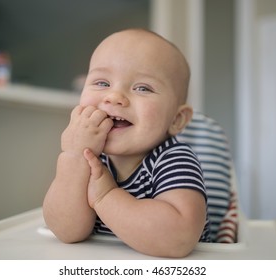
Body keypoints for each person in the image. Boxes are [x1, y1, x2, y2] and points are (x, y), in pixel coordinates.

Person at [43, 28, 211, 258]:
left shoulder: (173, 159)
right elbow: (66, 231)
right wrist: (72, 157)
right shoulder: (89, 158)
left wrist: (106, 197)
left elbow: (178, 238)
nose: (114, 97)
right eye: (102, 83)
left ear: (176, 119)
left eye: (142, 88)